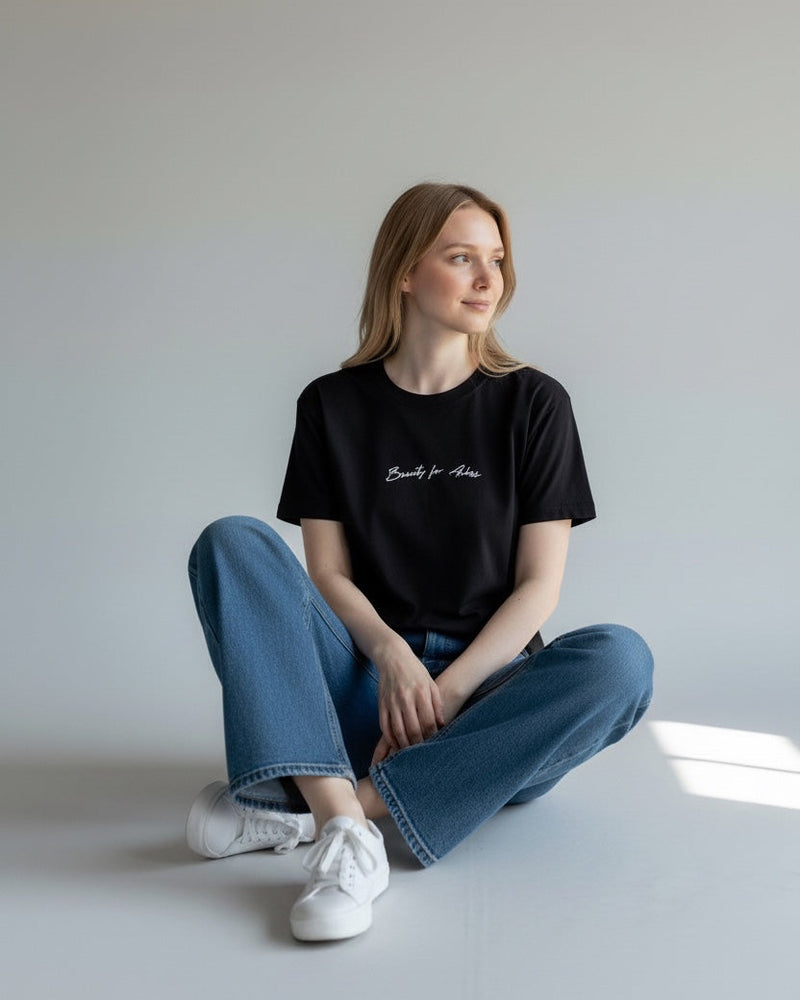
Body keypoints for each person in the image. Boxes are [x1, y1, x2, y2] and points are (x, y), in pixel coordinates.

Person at [185, 181, 654, 943]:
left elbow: (540, 588)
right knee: (232, 541)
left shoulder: (535, 404)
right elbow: (327, 573)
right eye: (461, 257)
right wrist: (392, 657)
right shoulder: (331, 406)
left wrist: (448, 691)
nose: (486, 280)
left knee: (622, 662)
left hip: (488, 712)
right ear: (404, 271)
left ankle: (322, 810)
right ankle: (347, 831)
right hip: (364, 685)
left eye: (496, 260)